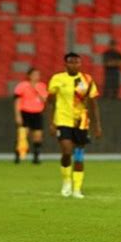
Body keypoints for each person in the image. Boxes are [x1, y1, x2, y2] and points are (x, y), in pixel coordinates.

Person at [47, 52, 102, 199]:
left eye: (77, 62)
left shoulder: (87, 80)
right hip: (63, 120)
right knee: (66, 151)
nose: (74, 65)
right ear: (65, 64)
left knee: (79, 156)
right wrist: (51, 122)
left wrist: (97, 125)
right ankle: (66, 181)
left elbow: (93, 104)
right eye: (71, 62)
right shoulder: (57, 79)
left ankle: (77, 188)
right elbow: (50, 102)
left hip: (81, 121)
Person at [13, 67, 48, 164]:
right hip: (25, 112)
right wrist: (18, 115)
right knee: (23, 135)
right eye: (34, 74)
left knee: (38, 136)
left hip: (37, 113)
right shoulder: (22, 86)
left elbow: (45, 100)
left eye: (38, 74)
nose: (36, 76)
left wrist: (38, 92)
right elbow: (17, 101)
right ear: (29, 75)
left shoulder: (42, 86)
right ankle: (18, 155)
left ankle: (36, 156)